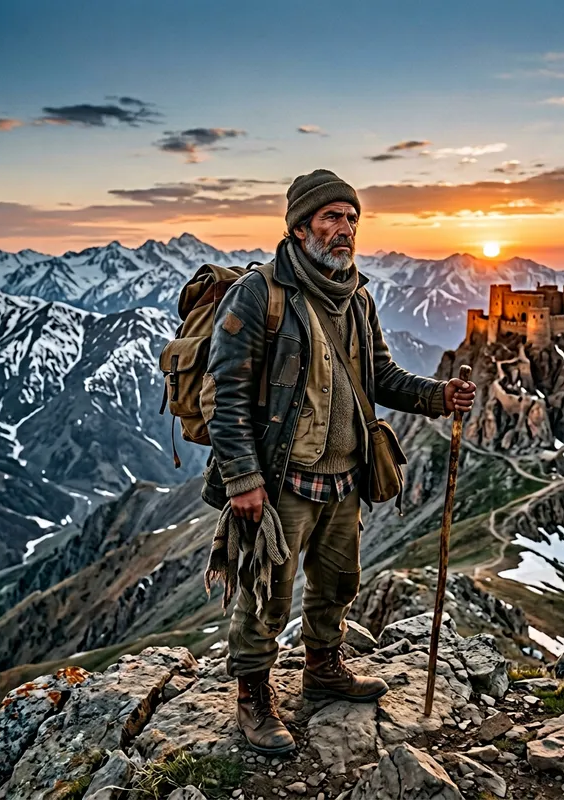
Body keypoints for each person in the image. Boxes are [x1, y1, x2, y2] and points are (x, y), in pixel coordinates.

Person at [204, 169, 476, 754]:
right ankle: (252, 695)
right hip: (280, 483)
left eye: (352, 218)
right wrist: (243, 479)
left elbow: (379, 376)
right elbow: (223, 393)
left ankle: (322, 669)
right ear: (301, 227)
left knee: (337, 584)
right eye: (331, 217)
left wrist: (438, 396)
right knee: (266, 591)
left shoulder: (356, 297)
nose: (345, 229)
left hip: (344, 478)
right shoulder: (259, 296)